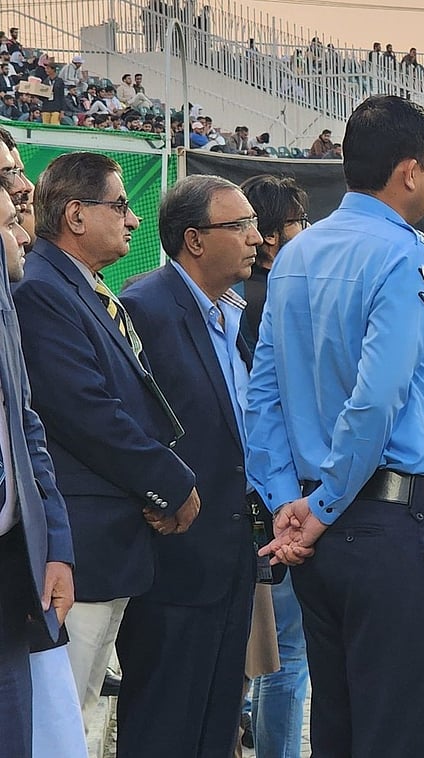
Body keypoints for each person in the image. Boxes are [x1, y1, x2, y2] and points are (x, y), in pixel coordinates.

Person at [245, 95, 424, 757]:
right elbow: (376, 400)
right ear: (406, 172)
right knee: (402, 733)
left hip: (322, 536)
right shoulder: (405, 256)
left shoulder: (297, 255)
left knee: (338, 733)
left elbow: (263, 401)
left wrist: (290, 503)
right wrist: (321, 507)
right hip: (386, 530)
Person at [12, 152, 200, 721]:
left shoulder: (80, 287)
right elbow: (89, 414)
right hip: (83, 552)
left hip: (110, 544)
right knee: (64, 717)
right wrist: (173, 483)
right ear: (75, 215)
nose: (134, 220)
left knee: (83, 712)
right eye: (120, 206)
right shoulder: (43, 291)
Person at [117, 176, 263, 757]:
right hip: (175, 562)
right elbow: (127, 423)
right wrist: (159, 495)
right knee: (163, 726)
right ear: (194, 240)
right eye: (240, 226)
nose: (257, 237)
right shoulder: (144, 307)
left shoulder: (233, 313)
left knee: (215, 726)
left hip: (231, 557)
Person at [0, 151, 76, 758]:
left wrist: (53, 548)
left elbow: (29, 433)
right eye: (4, 180)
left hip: (10, 575)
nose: (23, 194)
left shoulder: (7, 303)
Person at [236, 174, 310, 758]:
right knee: (286, 658)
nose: (302, 233)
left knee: (256, 652)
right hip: (277, 498)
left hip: (243, 497)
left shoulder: (236, 297)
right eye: (293, 224)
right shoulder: (280, 295)